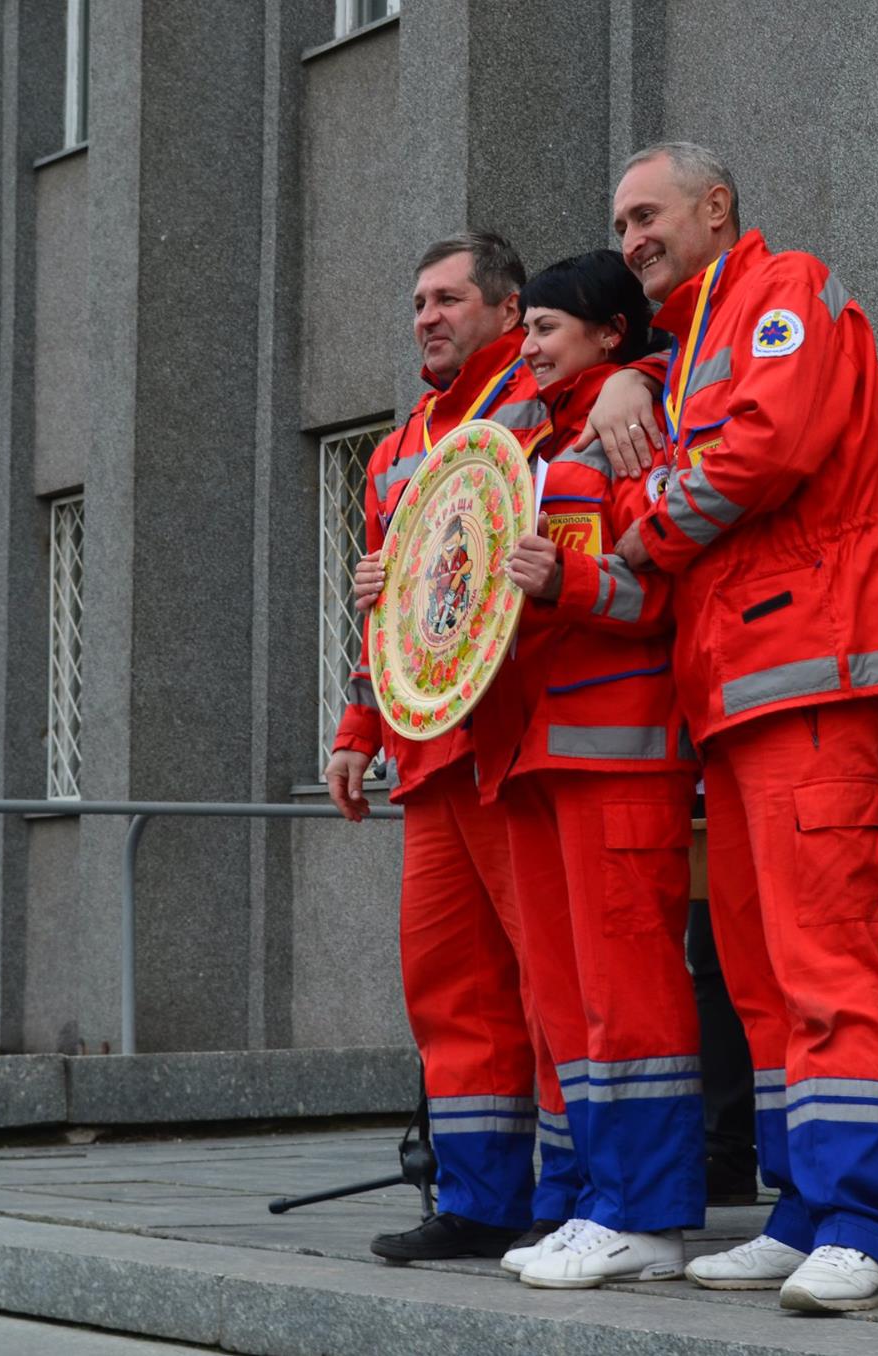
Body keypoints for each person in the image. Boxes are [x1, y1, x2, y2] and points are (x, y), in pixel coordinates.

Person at [600, 141, 878, 1313]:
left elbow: (767, 448)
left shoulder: (780, 287)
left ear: (714, 206)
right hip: (743, 680)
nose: (631, 236)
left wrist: (643, 526)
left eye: (647, 214)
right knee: (756, 972)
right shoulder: (693, 334)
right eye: (621, 223)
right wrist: (625, 382)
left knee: (819, 954)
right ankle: (803, 1212)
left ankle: (858, 1221)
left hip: (806, 660)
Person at [326, 231, 574, 1262]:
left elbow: (643, 373)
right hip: (428, 752)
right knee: (450, 989)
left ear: (507, 311)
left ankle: (575, 1197)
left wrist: (624, 390)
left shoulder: (552, 386)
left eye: (446, 299)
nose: (424, 317)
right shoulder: (392, 449)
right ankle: (476, 1201)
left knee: (551, 980)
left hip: (519, 745)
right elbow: (389, 607)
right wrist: (355, 728)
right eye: (416, 302)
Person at [470, 248, 706, 1289]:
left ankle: (646, 1217)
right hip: (534, 751)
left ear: (610, 336)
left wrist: (560, 578)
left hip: (613, 750)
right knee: (564, 1000)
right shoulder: (538, 441)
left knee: (627, 991)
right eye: (524, 334)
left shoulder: (631, 429)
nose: (525, 348)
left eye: (545, 332)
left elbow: (654, 598)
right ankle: (586, 1203)